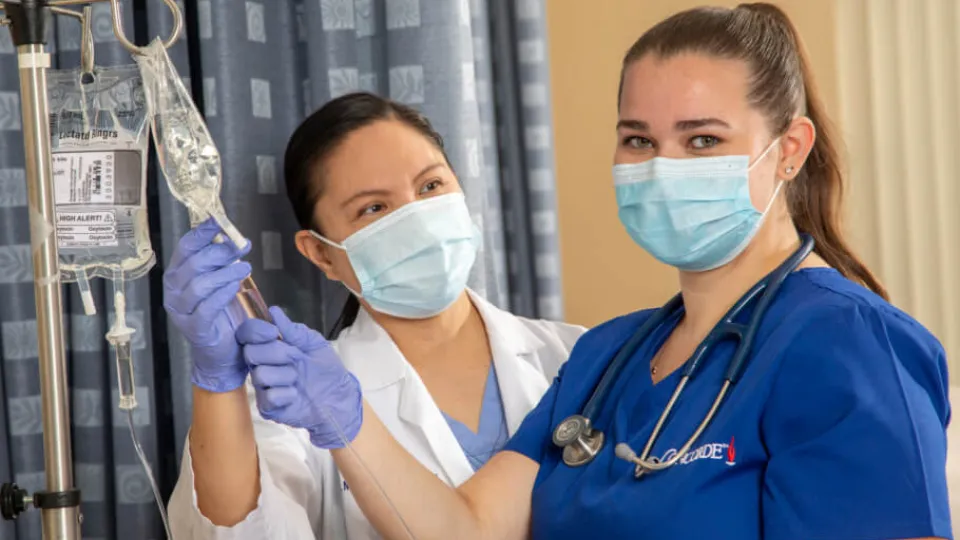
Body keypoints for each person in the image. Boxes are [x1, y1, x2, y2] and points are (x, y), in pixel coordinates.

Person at [219, 4, 954, 540]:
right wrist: (345, 419)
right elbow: (467, 530)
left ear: (789, 149)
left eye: (703, 140)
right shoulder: (606, 358)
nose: (663, 167)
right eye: (638, 139)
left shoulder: (850, 347)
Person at [163, 92, 586, 539]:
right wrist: (218, 382)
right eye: (374, 209)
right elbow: (240, 532)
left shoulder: (577, 354)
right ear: (321, 254)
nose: (418, 219)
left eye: (430, 186)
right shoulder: (298, 395)